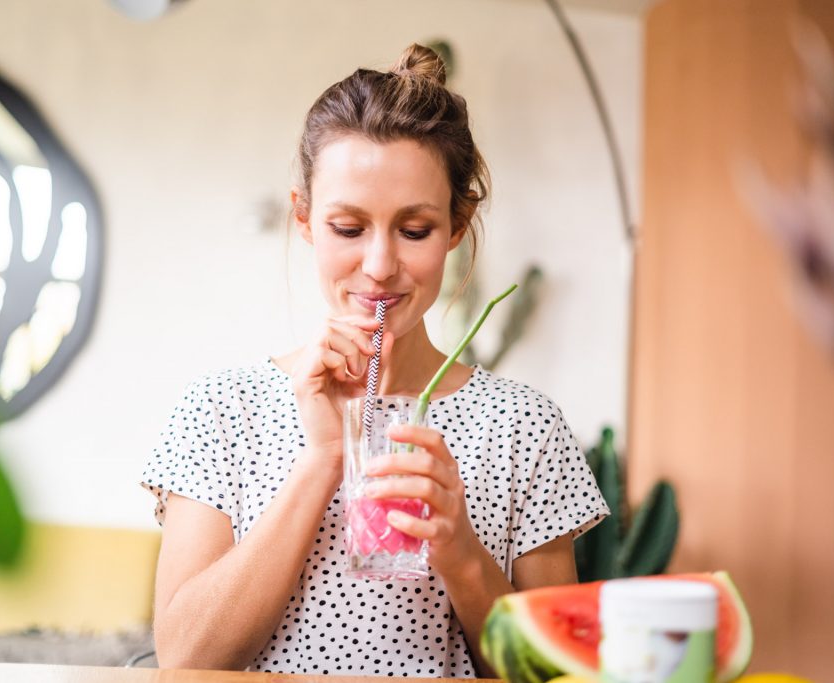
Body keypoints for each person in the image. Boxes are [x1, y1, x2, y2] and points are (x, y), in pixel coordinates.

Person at [140, 43, 608, 678]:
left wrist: (461, 552)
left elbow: (554, 675)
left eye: (414, 231)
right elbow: (185, 658)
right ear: (304, 218)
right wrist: (322, 461)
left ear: (457, 226)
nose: (381, 265)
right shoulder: (222, 411)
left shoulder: (523, 427)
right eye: (348, 228)